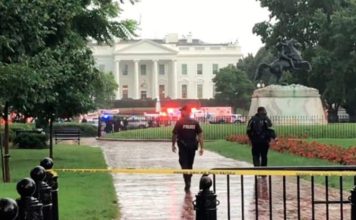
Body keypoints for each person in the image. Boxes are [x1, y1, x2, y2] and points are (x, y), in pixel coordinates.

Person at [172, 105, 204, 193]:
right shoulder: (195, 122)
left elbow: (174, 134)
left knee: (184, 164)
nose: (181, 112)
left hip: (183, 147)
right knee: (190, 164)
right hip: (192, 147)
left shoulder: (180, 122)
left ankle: (187, 180)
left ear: (187, 111)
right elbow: (200, 135)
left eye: (182, 111)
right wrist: (202, 147)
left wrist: (173, 145)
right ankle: (188, 178)